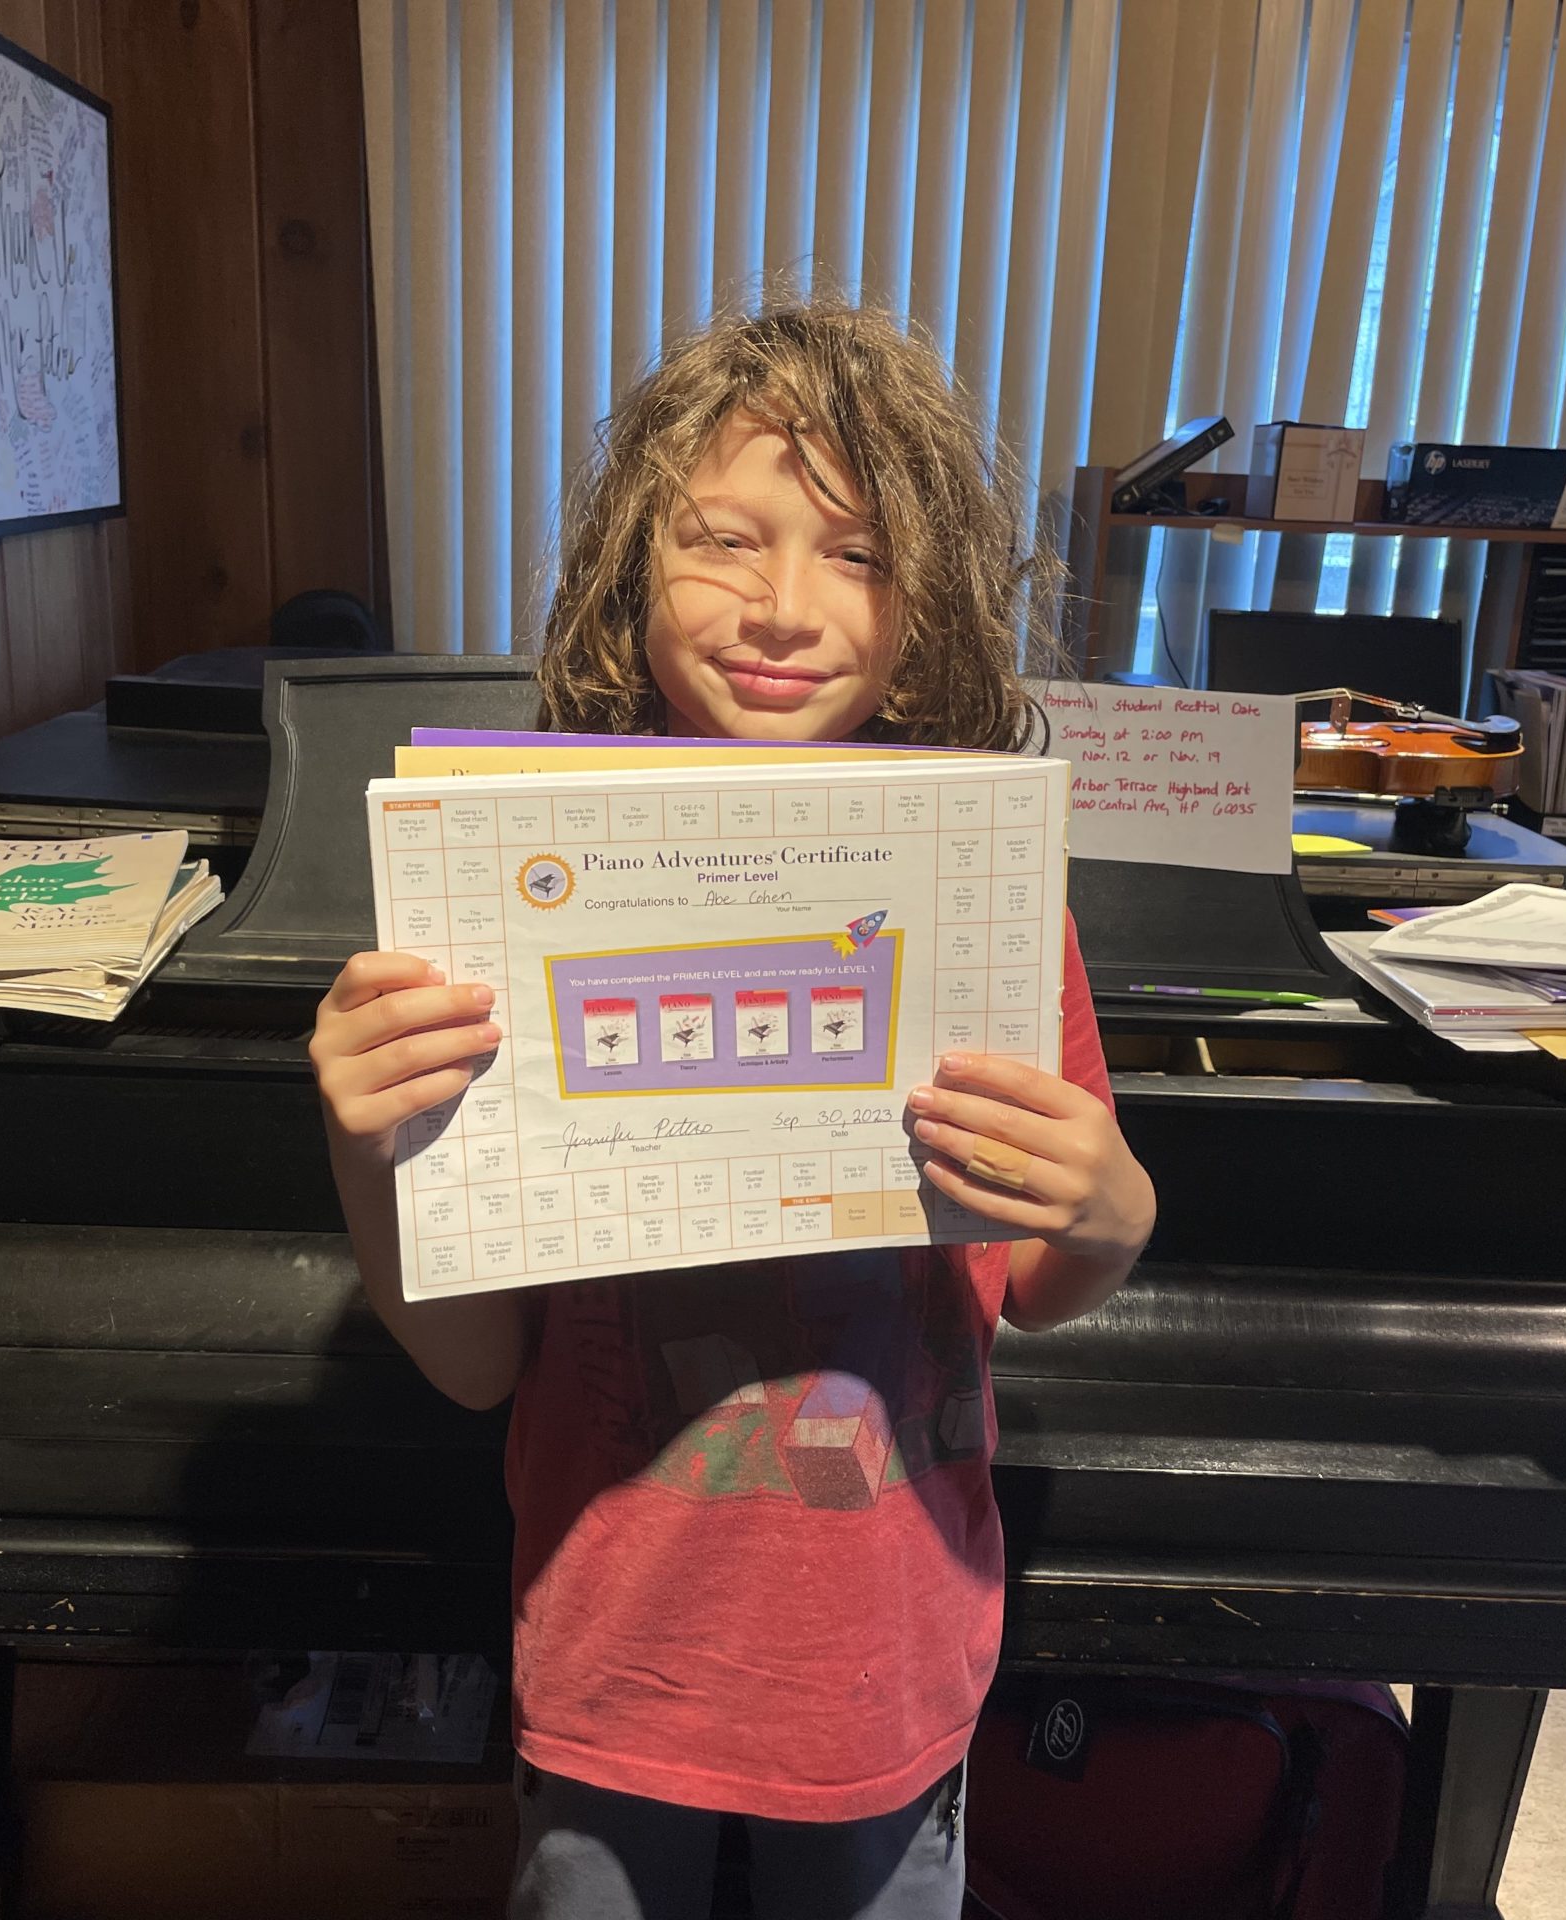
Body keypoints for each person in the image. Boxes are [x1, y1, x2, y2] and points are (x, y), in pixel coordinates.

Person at [314, 300, 1158, 1919]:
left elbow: (1046, 1284)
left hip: (887, 1670)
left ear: (929, 600)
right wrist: (368, 1148)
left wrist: (1120, 1212)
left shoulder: (991, 907)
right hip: (616, 1662)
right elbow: (477, 1361)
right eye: (726, 540)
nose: (785, 607)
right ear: (636, 562)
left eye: (856, 553)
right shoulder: (502, 894)